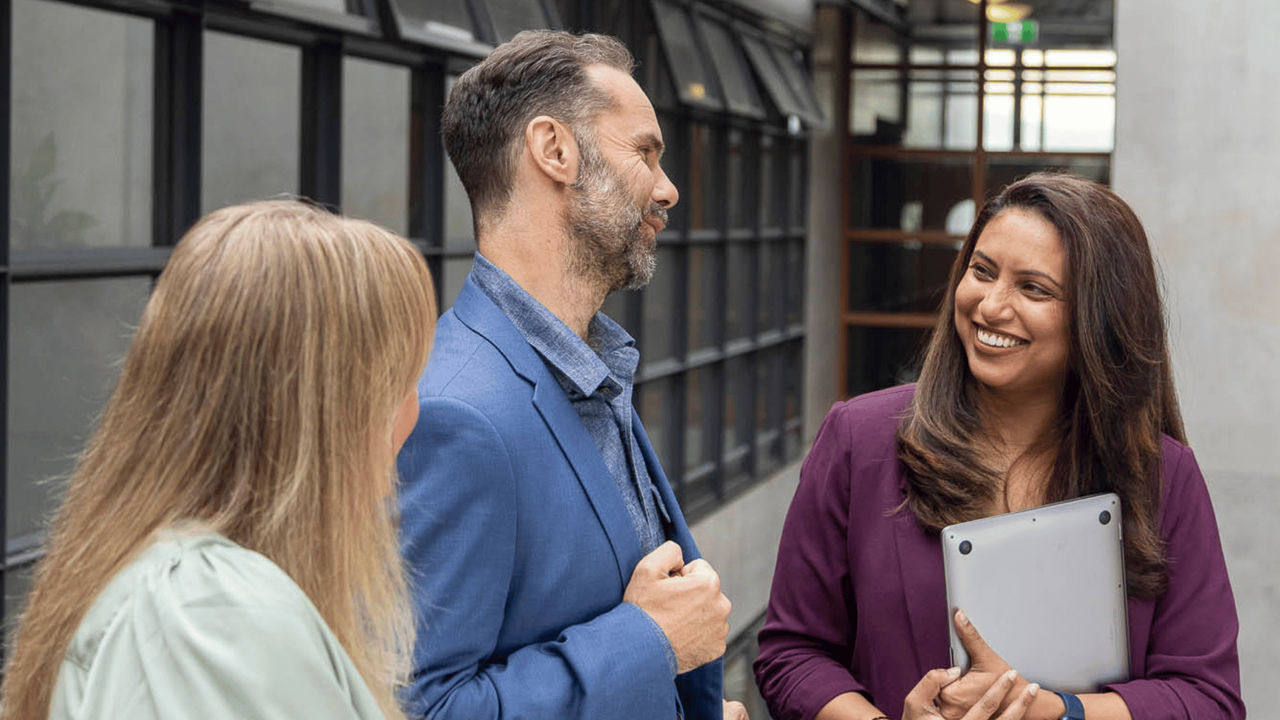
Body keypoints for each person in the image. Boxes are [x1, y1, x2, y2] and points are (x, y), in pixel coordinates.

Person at [754, 173, 1244, 720]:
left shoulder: (1161, 476)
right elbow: (792, 655)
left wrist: (1053, 712)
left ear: (1099, 318)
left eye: (1034, 288)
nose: (989, 307)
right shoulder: (859, 440)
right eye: (981, 272)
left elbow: (1208, 700)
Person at [395, 30, 744, 720]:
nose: (668, 189)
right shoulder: (453, 413)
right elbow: (422, 709)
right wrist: (650, 641)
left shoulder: (591, 369)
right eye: (645, 151)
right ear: (553, 149)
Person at [0, 200, 437, 720]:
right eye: (404, 383)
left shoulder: (192, 592)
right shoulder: (206, 612)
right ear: (328, 410)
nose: (413, 413)